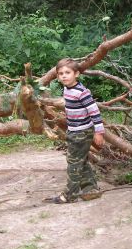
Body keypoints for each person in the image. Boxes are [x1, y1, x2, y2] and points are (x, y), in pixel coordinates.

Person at [44, 58, 105, 204]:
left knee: (73, 163)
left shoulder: (82, 92)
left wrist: (99, 132)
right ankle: (91, 189)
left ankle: (69, 195)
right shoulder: (67, 89)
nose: (64, 76)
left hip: (82, 132)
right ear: (57, 76)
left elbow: (94, 112)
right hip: (74, 130)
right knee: (80, 160)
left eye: (67, 72)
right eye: (60, 73)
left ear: (76, 74)